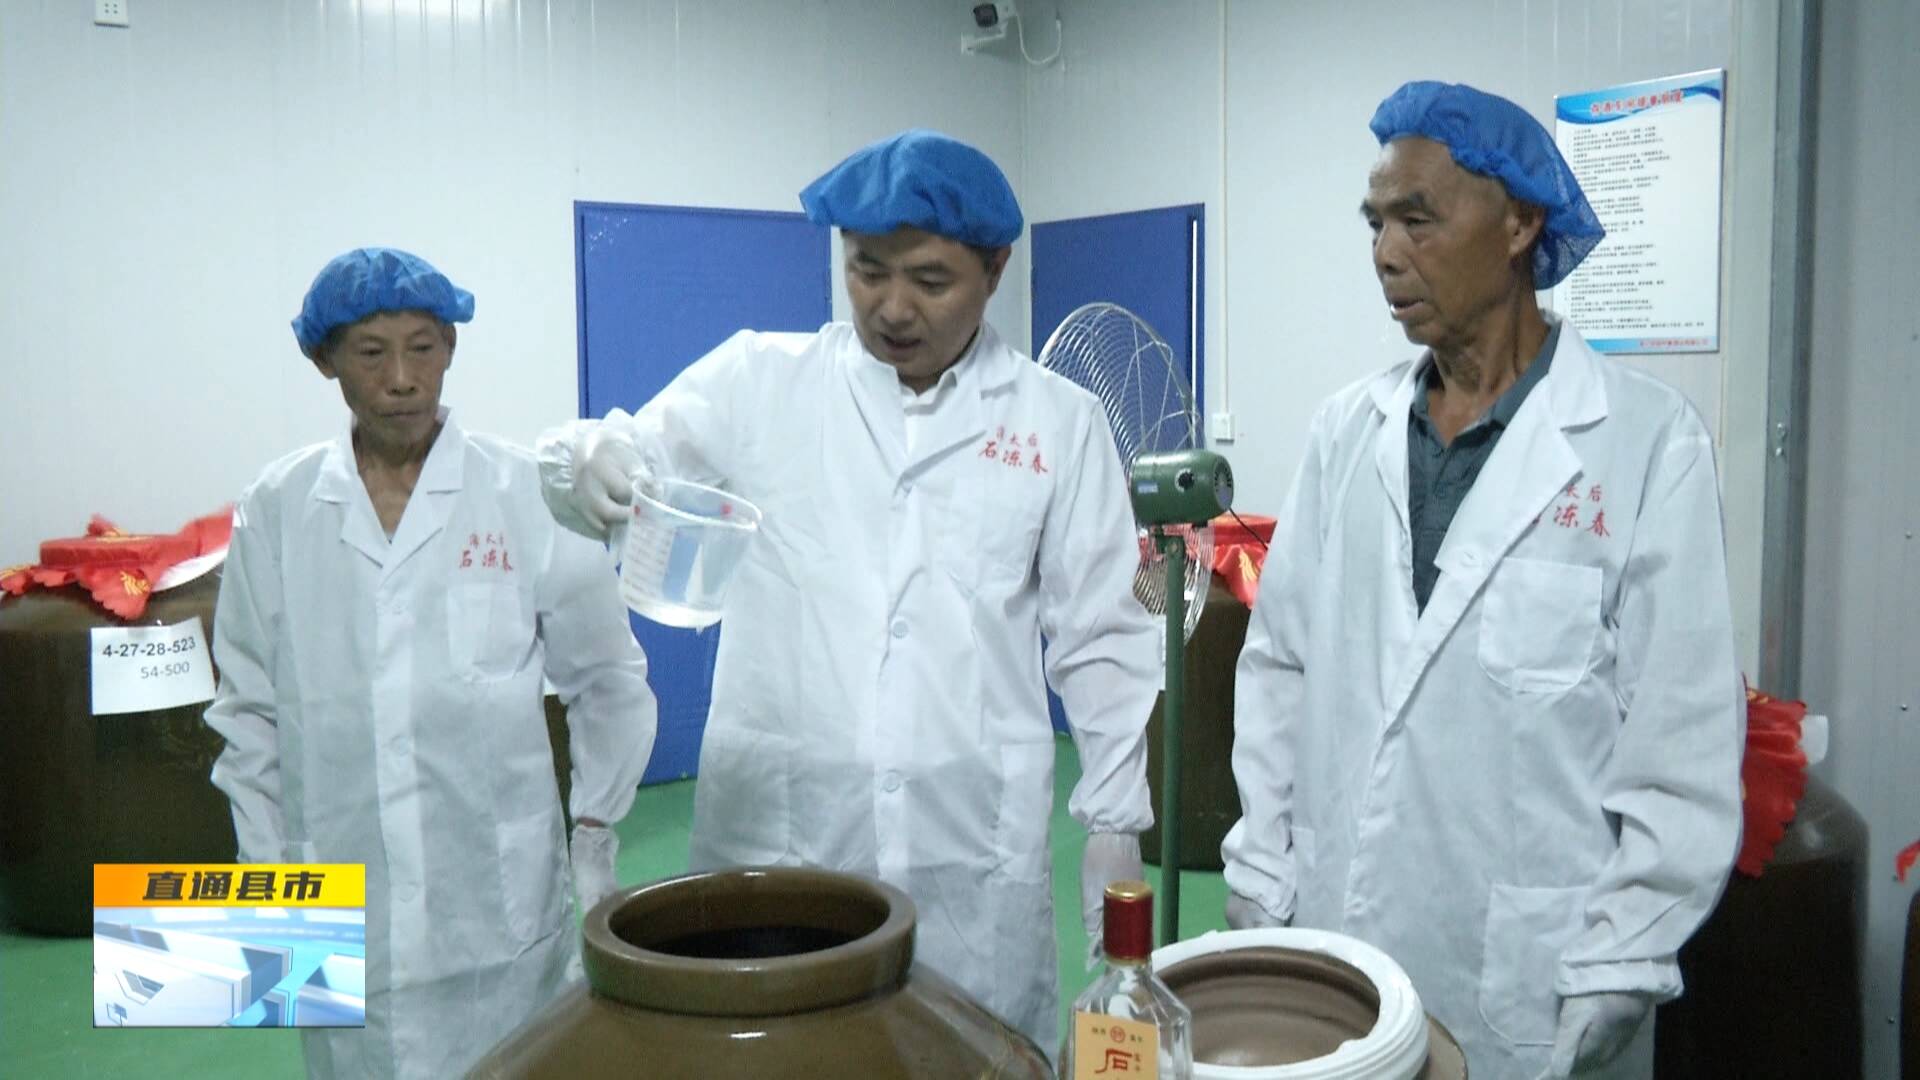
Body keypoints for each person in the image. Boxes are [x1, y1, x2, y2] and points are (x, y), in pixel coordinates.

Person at [535, 129, 1158, 1052]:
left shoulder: (1056, 423)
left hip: (968, 857)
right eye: (866, 270)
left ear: (995, 269)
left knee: (969, 1059)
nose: (892, 307)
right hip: (786, 846)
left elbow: (1102, 636)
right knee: (791, 1060)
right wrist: (588, 460)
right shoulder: (760, 382)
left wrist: (1113, 821)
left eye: (930, 280)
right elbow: (624, 452)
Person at [1220, 83, 1743, 1080]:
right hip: (1337, 942)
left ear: (1519, 224)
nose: (1385, 253)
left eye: (1418, 218)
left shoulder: (1644, 444)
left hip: (1533, 972)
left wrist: (1625, 954)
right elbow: (1279, 668)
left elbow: (1679, 739)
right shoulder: (1346, 434)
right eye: (1375, 222)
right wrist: (1263, 862)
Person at [206, 248, 658, 1078]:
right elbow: (249, 713)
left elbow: (607, 680)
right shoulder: (278, 508)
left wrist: (594, 837)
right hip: (340, 899)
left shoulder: (525, 492)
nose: (402, 379)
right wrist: (268, 891)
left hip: (496, 901)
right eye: (371, 353)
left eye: (423, 348)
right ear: (326, 361)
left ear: (451, 348)